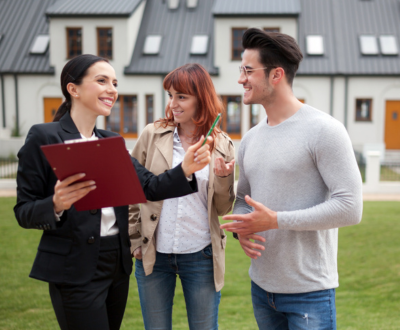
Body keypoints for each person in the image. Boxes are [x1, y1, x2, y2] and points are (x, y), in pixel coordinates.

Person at [14, 54, 213, 330]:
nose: (112, 89)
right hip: (74, 268)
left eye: (115, 82)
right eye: (102, 80)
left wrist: (185, 170)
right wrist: (56, 204)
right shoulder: (44, 136)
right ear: (73, 89)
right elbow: (24, 211)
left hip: (116, 267)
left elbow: (149, 187)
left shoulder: (112, 142)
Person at [220, 28, 363, 330]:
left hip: (309, 292)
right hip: (261, 287)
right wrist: (242, 231)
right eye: (240, 70)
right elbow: (244, 200)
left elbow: (350, 208)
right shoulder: (250, 139)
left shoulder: (325, 130)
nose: (240, 79)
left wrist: (275, 220)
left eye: (248, 70)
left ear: (276, 75)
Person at [129, 63, 235, 330]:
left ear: (202, 98)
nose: (173, 104)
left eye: (182, 96)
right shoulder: (151, 135)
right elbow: (131, 188)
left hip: (200, 254)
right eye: (171, 96)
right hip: (154, 252)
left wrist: (223, 178)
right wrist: (134, 240)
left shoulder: (222, 144)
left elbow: (222, 209)